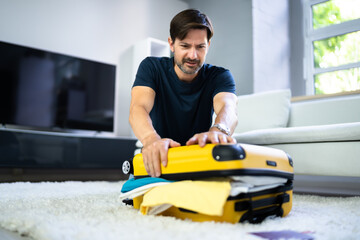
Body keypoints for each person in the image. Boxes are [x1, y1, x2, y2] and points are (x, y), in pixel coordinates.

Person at [129, 9, 238, 178]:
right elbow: (138, 108)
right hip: (161, 156)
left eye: (200, 47)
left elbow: (228, 107)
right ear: (171, 44)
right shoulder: (151, 67)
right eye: (185, 46)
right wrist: (151, 139)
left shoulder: (220, 76)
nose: (193, 55)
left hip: (199, 156)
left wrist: (218, 131)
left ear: (208, 45)